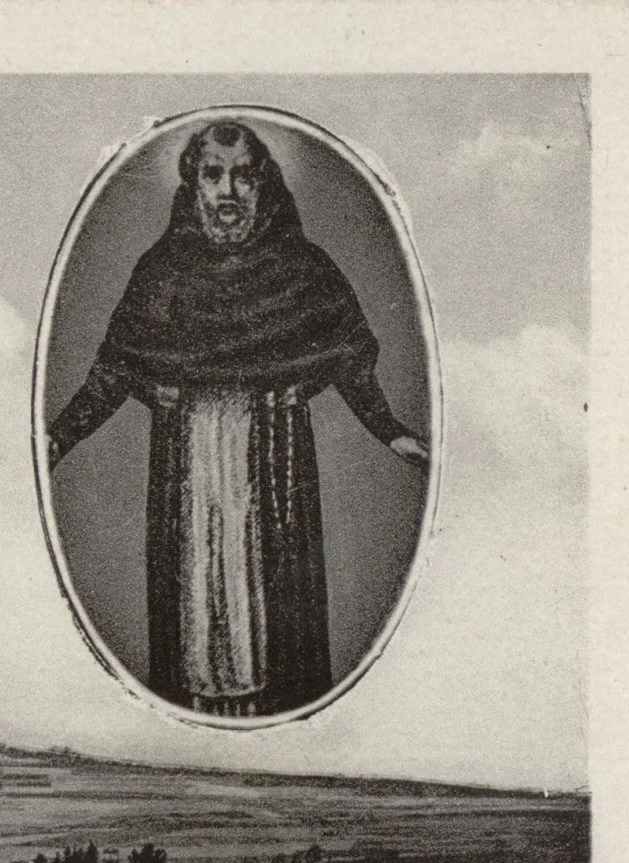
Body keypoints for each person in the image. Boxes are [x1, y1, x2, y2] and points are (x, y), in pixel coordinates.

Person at [48, 120, 428, 717]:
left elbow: (351, 361)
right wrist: (57, 439)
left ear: (265, 184)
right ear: (193, 184)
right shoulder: (160, 272)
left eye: (244, 176)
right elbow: (114, 369)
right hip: (187, 465)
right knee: (193, 606)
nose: (228, 192)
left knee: (275, 616)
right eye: (214, 175)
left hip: (273, 463)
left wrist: (393, 431)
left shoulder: (303, 268)